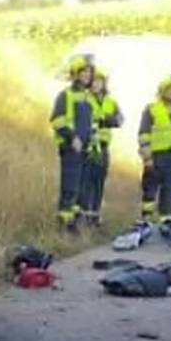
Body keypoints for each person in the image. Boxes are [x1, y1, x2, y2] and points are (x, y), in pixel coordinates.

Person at [50, 56, 96, 231]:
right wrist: (72, 138)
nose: (87, 75)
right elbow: (57, 120)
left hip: (85, 149)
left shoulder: (88, 98)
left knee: (81, 190)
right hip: (71, 148)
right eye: (83, 72)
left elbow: (92, 123)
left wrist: (92, 142)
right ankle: (63, 224)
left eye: (89, 72)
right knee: (69, 188)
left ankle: (74, 223)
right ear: (75, 74)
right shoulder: (65, 95)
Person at [138, 76, 171, 224]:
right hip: (156, 156)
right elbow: (144, 134)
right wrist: (147, 157)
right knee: (150, 189)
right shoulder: (152, 109)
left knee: (170, 191)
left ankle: (166, 221)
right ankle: (146, 219)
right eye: (170, 89)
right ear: (162, 91)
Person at [83, 67, 122, 227]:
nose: (95, 84)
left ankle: (95, 216)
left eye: (99, 81)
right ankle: (85, 215)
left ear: (104, 83)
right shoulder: (84, 98)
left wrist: (105, 119)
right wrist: (103, 120)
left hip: (103, 147)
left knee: (99, 182)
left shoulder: (111, 102)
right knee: (86, 182)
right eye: (93, 81)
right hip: (88, 146)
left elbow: (119, 120)